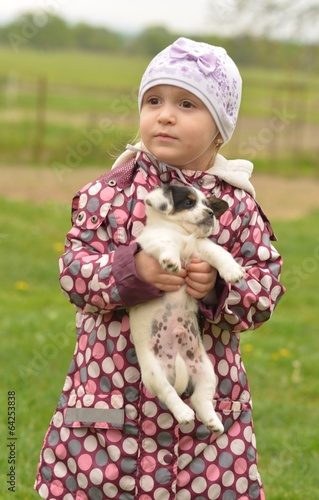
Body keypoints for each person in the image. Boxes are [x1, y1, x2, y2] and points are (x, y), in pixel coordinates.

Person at [35, 37, 285, 500]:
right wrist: (132, 271)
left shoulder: (235, 206)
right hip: (111, 401)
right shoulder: (107, 194)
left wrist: (216, 291)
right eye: (154, 100)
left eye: (187, 103)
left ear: (220, 130)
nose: (164, 114)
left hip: (205, 420)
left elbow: (265, 287)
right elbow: (74, 271)